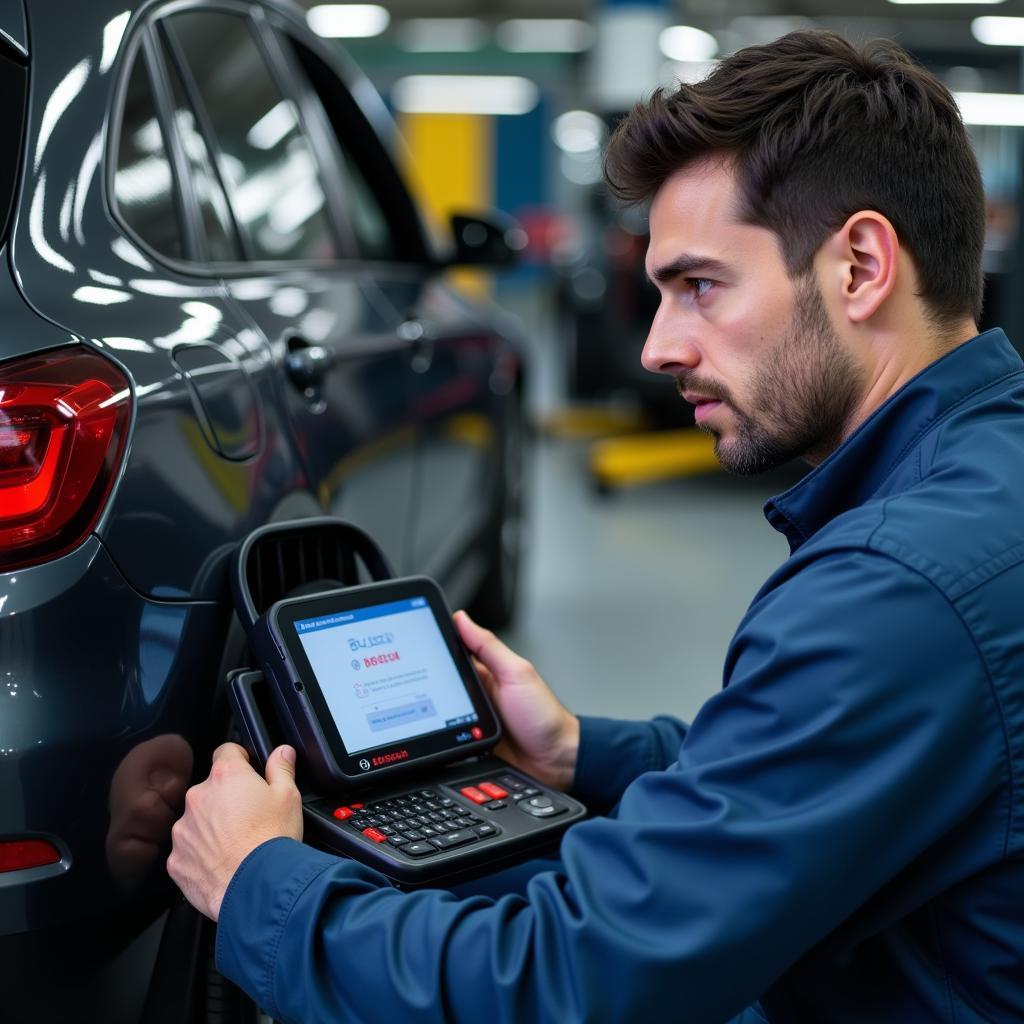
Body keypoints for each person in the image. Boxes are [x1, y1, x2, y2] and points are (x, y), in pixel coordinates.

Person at [168, 30, 1024, 1023]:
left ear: (861, 265)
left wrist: (257, 885)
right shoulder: (979, 485)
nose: (658, 346)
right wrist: (584, 753)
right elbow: (825, 767)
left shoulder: (896, 588)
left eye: (699, 285)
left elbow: (571, 981)